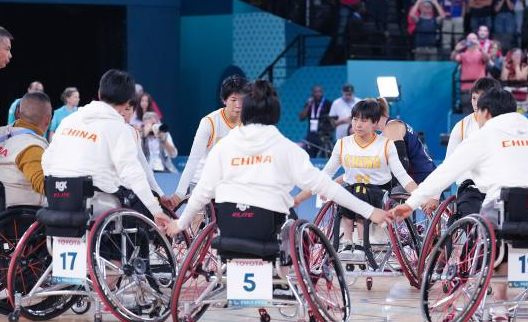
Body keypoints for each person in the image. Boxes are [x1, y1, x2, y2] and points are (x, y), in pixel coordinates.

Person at [392, 88, 528, 322]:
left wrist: (411, 203)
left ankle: (499, 304)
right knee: (515, 235)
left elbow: (445, 173)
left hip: (506, 208)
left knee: (491, 231)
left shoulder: (482, 137)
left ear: (485, 112)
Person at [163, 81, 390, 240]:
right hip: (267, 230)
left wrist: (180, 223)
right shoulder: (287, 149)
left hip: (229, 229)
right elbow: (325, 186)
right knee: (296, 234)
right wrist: (370, 211)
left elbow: (202, 191)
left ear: (245, 112)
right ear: (276, 114)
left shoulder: (222, 148)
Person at [42, 69, 168, 224]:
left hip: (56, 194)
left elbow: (46, 158)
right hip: (96, 199)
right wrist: (156, 211)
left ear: (99, 93)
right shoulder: (120, 129)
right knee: (138, 203)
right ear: (127, 102)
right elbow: (132, 172)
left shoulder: (69, 120)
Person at [294, 99, 417, 254]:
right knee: (347, 193)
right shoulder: (342, 144)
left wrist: (421, 195)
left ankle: (360, 242)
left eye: (364, 121)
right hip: (352, 192)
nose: (358, 124)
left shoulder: (386, 144)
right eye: (355, 119)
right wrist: (298, 198)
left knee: (359, 192)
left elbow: (402, 176)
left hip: (380, 192)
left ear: (375, 123)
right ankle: (347, 241)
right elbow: (323, 177)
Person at [165, 75, 247, 208]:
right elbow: (193, 160)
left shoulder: (249, 124)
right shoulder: (209, 122)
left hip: (230, 185)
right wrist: (180, 193)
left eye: (242, 100)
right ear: (224, 100)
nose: (238, 105)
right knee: (198, 220)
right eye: (233, 100)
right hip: (202, 183)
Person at [377, 97, 435, 184]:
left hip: (422, 180)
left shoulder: (392, 127)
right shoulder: (389, 128)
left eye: (363, 119)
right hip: (425, 175)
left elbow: (402, 163)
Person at [297, 85, 331, 156]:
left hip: (323, 135)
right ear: (312, 93)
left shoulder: (327, 103)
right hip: (311, 135)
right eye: (315, 92)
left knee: (323, 156)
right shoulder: (309, 103)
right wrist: (308, 105)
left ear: (322, 93)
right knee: (309, 156)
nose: (317, 94)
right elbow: (301, 118)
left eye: (319, 92)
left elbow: (332, 119)